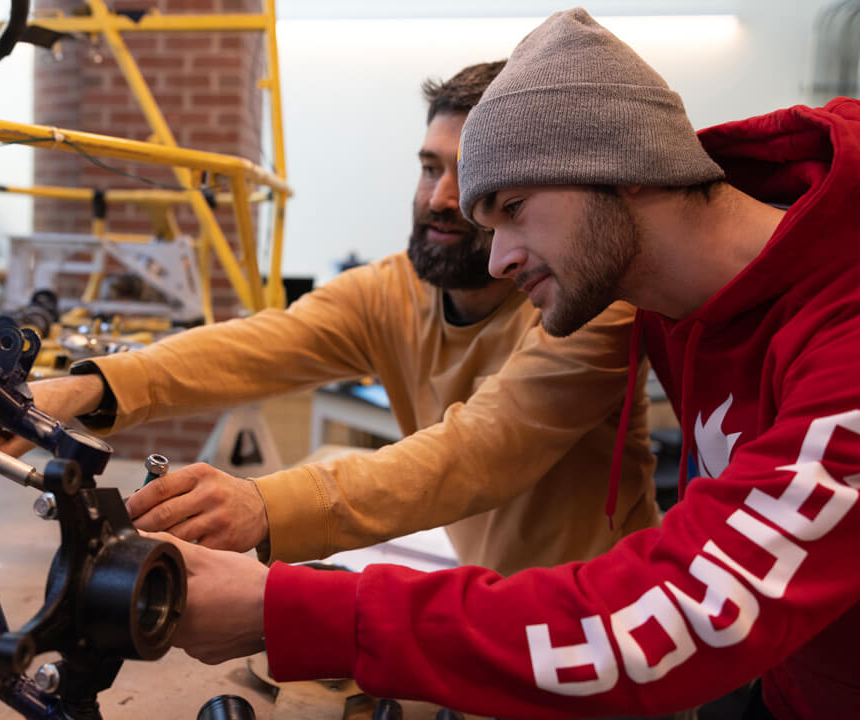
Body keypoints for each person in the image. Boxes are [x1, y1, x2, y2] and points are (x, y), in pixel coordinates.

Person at [154, 8, 860, 719]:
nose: (498, 259)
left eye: (513, 208)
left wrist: (283, 610)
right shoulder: (684, 300)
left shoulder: (845, 344)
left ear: (627, 170)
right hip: (781, 683)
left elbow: (671, 620)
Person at [0, 61, 661, 578]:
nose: (442, 198)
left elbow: (475, 453)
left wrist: (264, 504)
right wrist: (85, 389)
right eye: (427, 167)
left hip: (605, 624)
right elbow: (257, 344)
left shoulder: (590, 306)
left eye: (472, 176)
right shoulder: (392, 290)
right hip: (487, 609)